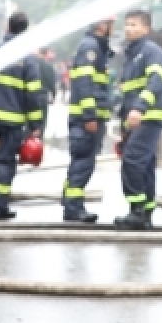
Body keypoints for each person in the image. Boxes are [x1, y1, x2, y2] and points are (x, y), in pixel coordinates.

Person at [0, 12, 48, 221]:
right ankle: (0, 208)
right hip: (13, 122)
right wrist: (36, 125)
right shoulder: (28, 59)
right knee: (5, 162)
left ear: (7, 27)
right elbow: (33, 94)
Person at [115, 10, 162, 230]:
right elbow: (128, 93)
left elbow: (157, 81)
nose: (128, 29)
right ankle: (145, 212)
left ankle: (137, 211)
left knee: (133, 162)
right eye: (127, 24)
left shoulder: (152, 52)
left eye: (134, 25)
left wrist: (140, 107)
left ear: (146, 29)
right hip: (137, 119)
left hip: (148, 117)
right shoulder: (132, 55)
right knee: (144, 165)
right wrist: (124, 123)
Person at [63, 20, 114, 222]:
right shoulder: (90, 48)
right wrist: (90, 115)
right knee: (83, 163)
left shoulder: (95, 47)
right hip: (86, 119)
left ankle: (70, 204)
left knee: (81, 162)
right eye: (110, 23)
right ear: (101, 25)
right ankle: (74, 208)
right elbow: (85, 84)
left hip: (87, 117)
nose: (114, 26)